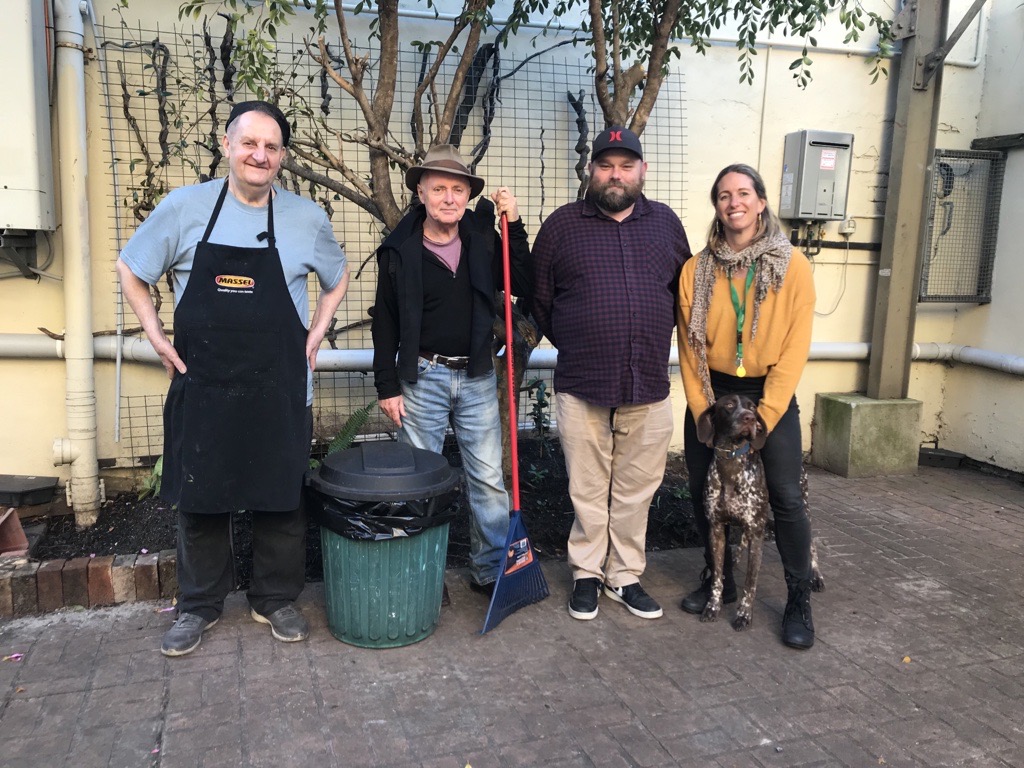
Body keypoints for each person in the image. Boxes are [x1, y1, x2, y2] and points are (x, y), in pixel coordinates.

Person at [116, 101, 349, 657]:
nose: (259, 155)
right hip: (206, 386)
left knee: (281, 497)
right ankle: (198, 605)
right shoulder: (184, 208)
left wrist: (315, 335)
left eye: (271, 147)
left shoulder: (307, 218)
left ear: (282, 158)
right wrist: (154, 333)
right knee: (201, 496)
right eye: (249, 143)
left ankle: (276, 599)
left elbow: (336, 281)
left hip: (279, 387)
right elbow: (131, 267)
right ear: (227, 146)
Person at [532, 126, 691, 621]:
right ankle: (586, 573)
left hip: (647, 385)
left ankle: (623, 575)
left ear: (642, 171)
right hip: (583, 383)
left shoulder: (665, 224)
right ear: (591, 171)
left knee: (635, 489)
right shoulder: (561, 226)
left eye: (626, 165)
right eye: (606, 165)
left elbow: (684, 295)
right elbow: (541, 302)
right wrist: (584, 339)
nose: (615, 174)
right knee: (587, 486)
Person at [371, 145, 529, 595]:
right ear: (421, 192)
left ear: (466, 196)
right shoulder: (400, 250)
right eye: (438, 188)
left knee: (488, 479)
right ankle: (420, 574)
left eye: (457, 190)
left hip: (477, 375)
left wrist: (512, 224)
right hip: (423, 379)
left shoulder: (482, 237)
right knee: (420, 479)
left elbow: (521, 276)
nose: (448, 198)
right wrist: (388, 385)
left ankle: (493, 572)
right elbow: (385, 320)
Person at [677, 163, 816, 649]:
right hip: (715, 395)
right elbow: (690, 351)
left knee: (785, 493)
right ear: (716, 206)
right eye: (723, 195)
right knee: (702, 489)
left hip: (768, 394)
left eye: (743, 193)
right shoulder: (697, 269)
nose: (733, 202)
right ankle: (720, 580)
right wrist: (702, 412)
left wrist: (765, 418)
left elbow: (795, 348)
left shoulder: (792, 265)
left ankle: (799, 595)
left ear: (760, 202)